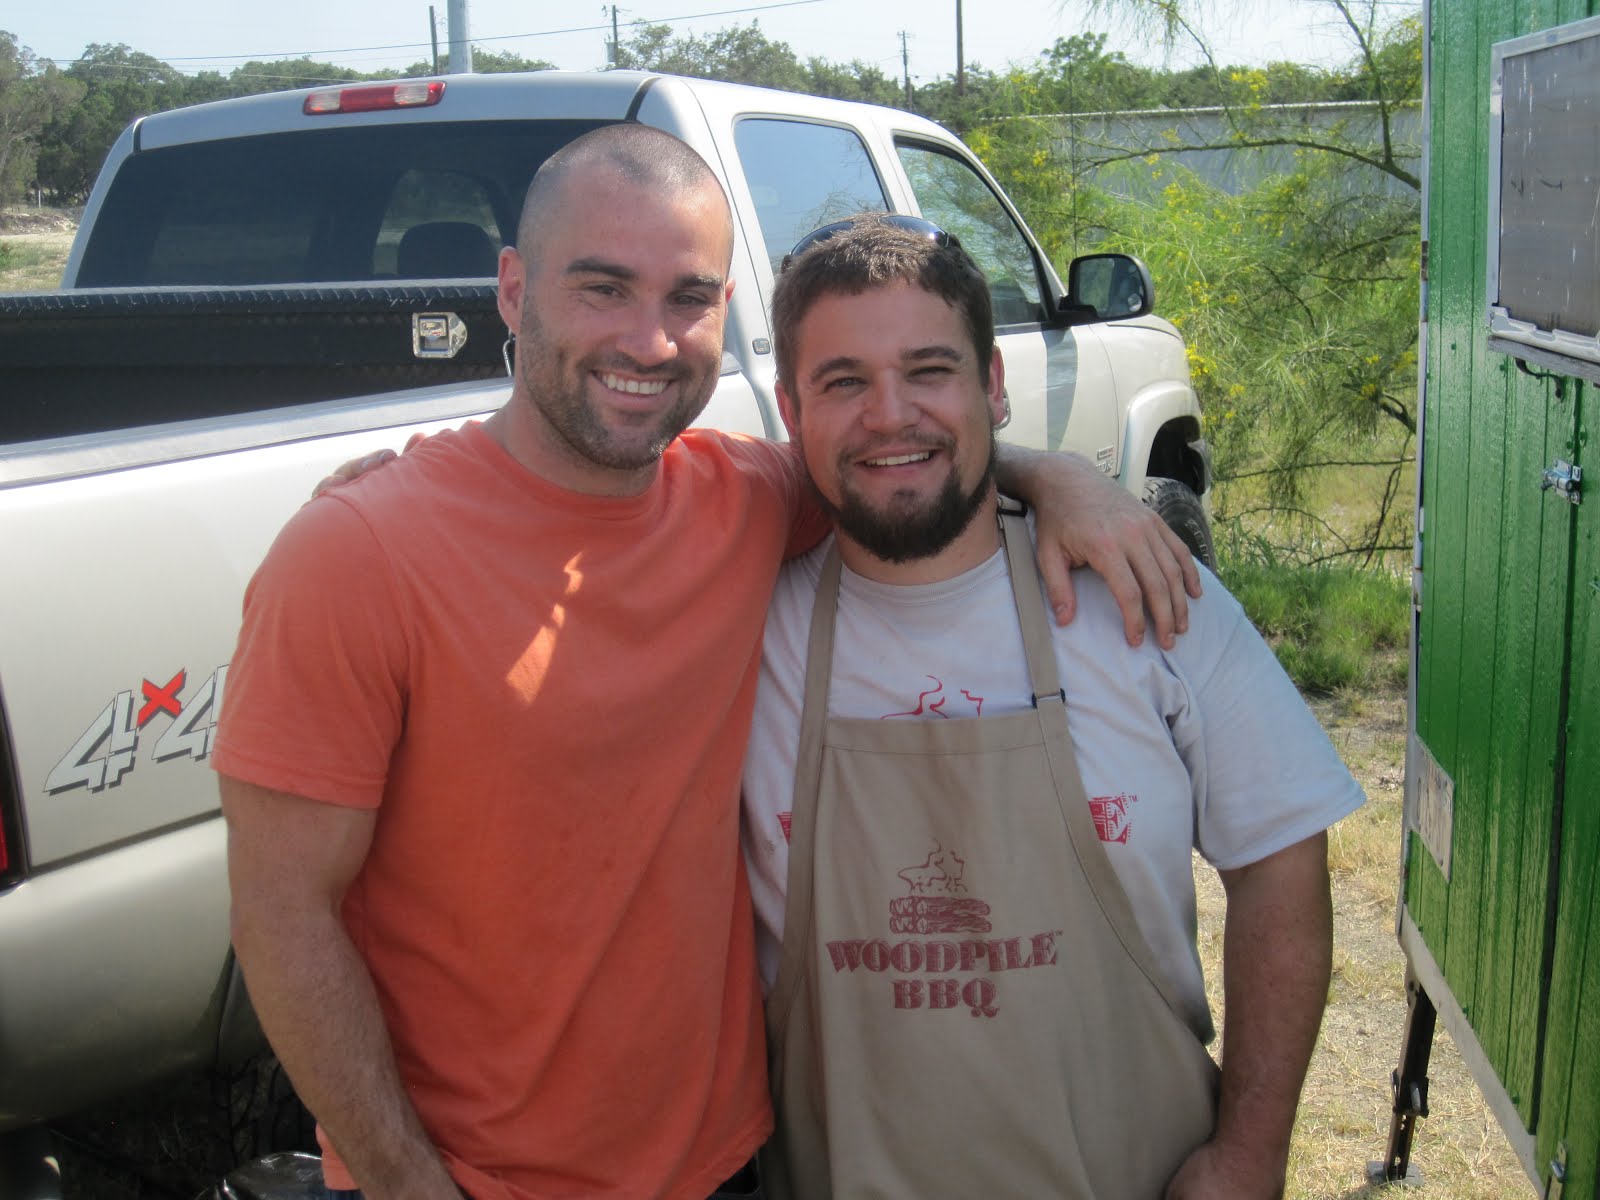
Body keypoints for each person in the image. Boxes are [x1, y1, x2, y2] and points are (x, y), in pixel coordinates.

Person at [212, 125, 1200, 1200]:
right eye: (602, 289)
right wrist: (406, 1181)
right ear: (512, 290)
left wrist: (1051, 473)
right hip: (479, 1180)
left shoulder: (739, 501)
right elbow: (282, 913)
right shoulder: (359, 554)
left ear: (724, 313)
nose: (649, 338)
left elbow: (886, 448)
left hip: (729, 1160)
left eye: (686, 297)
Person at [739, 214, 1365, 1199]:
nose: (888, 414)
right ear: (789, 407)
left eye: (929, 371)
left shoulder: (1141, 591)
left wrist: (1249, 1153)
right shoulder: (739, 628)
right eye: (843, 382)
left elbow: (1281, 852)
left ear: (992, 384)